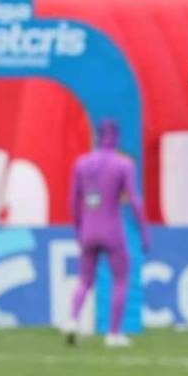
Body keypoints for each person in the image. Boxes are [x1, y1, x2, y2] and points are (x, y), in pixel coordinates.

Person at [65, 120, 150, 348]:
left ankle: (72, 320)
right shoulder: (123, 164)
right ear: (116, 137)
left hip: (88, 228)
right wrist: (144, 231)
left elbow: (73, 201)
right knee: (120, 280)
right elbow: (134, 200)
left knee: (85, 280)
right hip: (112, 229)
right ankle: (113, 334)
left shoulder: (81, 163)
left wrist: (78, 230)